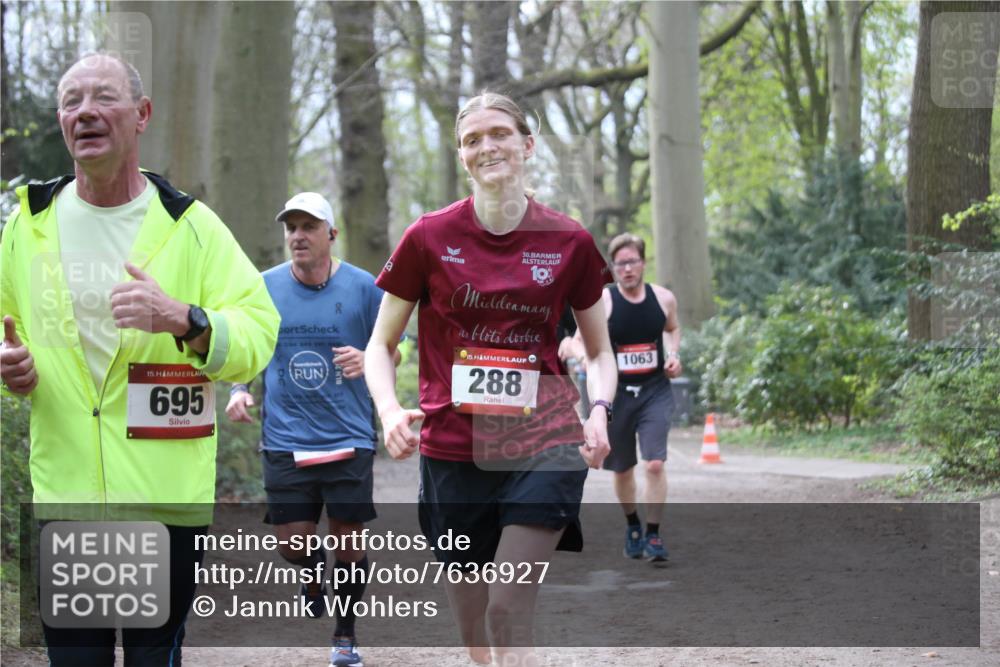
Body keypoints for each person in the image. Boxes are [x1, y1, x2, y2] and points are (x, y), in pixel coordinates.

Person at [0, 53, 279, 666]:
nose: (86, 112)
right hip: (67, 496)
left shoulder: (191, 227)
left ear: (142, 114)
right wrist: (8, 366)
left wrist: (186, 319)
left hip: (163, 502)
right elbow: (4, 332)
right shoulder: (29, 225)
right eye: (72, 102)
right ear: (60, 121)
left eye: (104, 97)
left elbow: (261, 331)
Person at [364, 91, 617, 667]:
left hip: (544, 441)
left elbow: (601, 352)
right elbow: (379, 346)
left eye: (499, 133)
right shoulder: (428, 238)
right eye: (473, 139)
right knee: (475, 627)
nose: (487, 146)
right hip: (454, 449)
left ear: (527, 145)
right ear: (462, 157)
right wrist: (388, 411)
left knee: (507, 607)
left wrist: (600, 408)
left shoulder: (569, 241)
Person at [226, 191, 393, 667]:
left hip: (348, 436)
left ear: (331, 235)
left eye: (308, 227)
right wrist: (239, 387)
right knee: (293, 544)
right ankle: (310, 569)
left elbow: (392, 348)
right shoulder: (263, 287)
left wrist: (371, 357)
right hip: (284, 437)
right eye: (291, 229)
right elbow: (245, 345)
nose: (298, 236)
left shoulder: (366, 288)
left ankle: (345, 636)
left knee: (348, 540)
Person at [565, 233, 681, 563]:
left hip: (655, 391)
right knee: (623, 468)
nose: (627, 269)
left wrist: (673, 353)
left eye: (632, 262)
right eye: (620, 264)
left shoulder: (663, 299)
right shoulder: (604, 301)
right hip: (616, 396)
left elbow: (672, 329)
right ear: (613, 268)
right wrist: (580, 356)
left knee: (655, 463)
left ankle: (654, 535)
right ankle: (633, 524)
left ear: (643, 264)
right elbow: (576, 341)